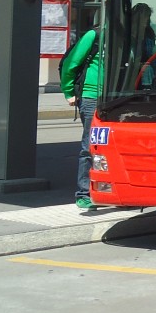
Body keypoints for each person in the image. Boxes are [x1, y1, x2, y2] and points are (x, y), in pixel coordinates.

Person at [61, 21, 104, 211]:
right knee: (89, 146)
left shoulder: (128, 38)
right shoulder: (94, 35)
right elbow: (72, 63)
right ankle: (84, 193)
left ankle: (103, 189)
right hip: (91, 97)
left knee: (106, 147)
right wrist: (68, 92)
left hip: (113, 97)